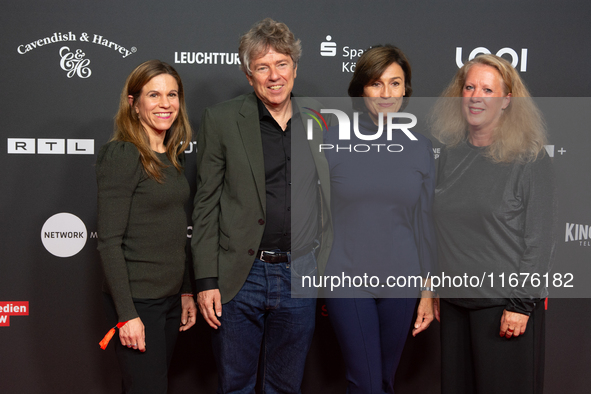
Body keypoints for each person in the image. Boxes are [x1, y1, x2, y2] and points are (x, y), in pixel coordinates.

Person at [191, 18, 332, 393]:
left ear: (295, 68)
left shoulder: (321, 118)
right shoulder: (221, 120)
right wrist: (206, 281)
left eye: (281, 64)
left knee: (285, 386)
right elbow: (205, 205)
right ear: (248, 74)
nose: (274, 75)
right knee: (235, 385)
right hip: (240, 274)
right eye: (262, 66)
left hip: (301, 270)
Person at [431, 54, 555, 394]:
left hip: (504, 308)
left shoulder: (529, 158)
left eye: (487, 88)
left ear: (506, 100)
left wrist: (520, 305)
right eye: (469, 87)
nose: (476, 96)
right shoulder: (451, 154)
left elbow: (540, 239)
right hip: (455, 306)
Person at [323, 45, 437, 393]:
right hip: (346, 275)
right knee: (367, 382)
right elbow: (314, 214)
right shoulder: (332, 142)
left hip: (402, 280)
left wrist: (429, 289)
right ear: (361, 89)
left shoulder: (420, 147)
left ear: (406, 90)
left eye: (395, 83)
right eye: (376, 84)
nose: (386, 94)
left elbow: (425, 222)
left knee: (385, 380)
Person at [96, 59, 196, 394]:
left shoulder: (171, 155)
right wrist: (127, 315)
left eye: (172, 94)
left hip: (168, 300)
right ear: (134, 104)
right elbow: (108, 242)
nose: (165, 104)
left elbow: (175, 231)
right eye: (153, 95)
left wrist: (184, 291)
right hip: (139, 302)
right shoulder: (123, 155)